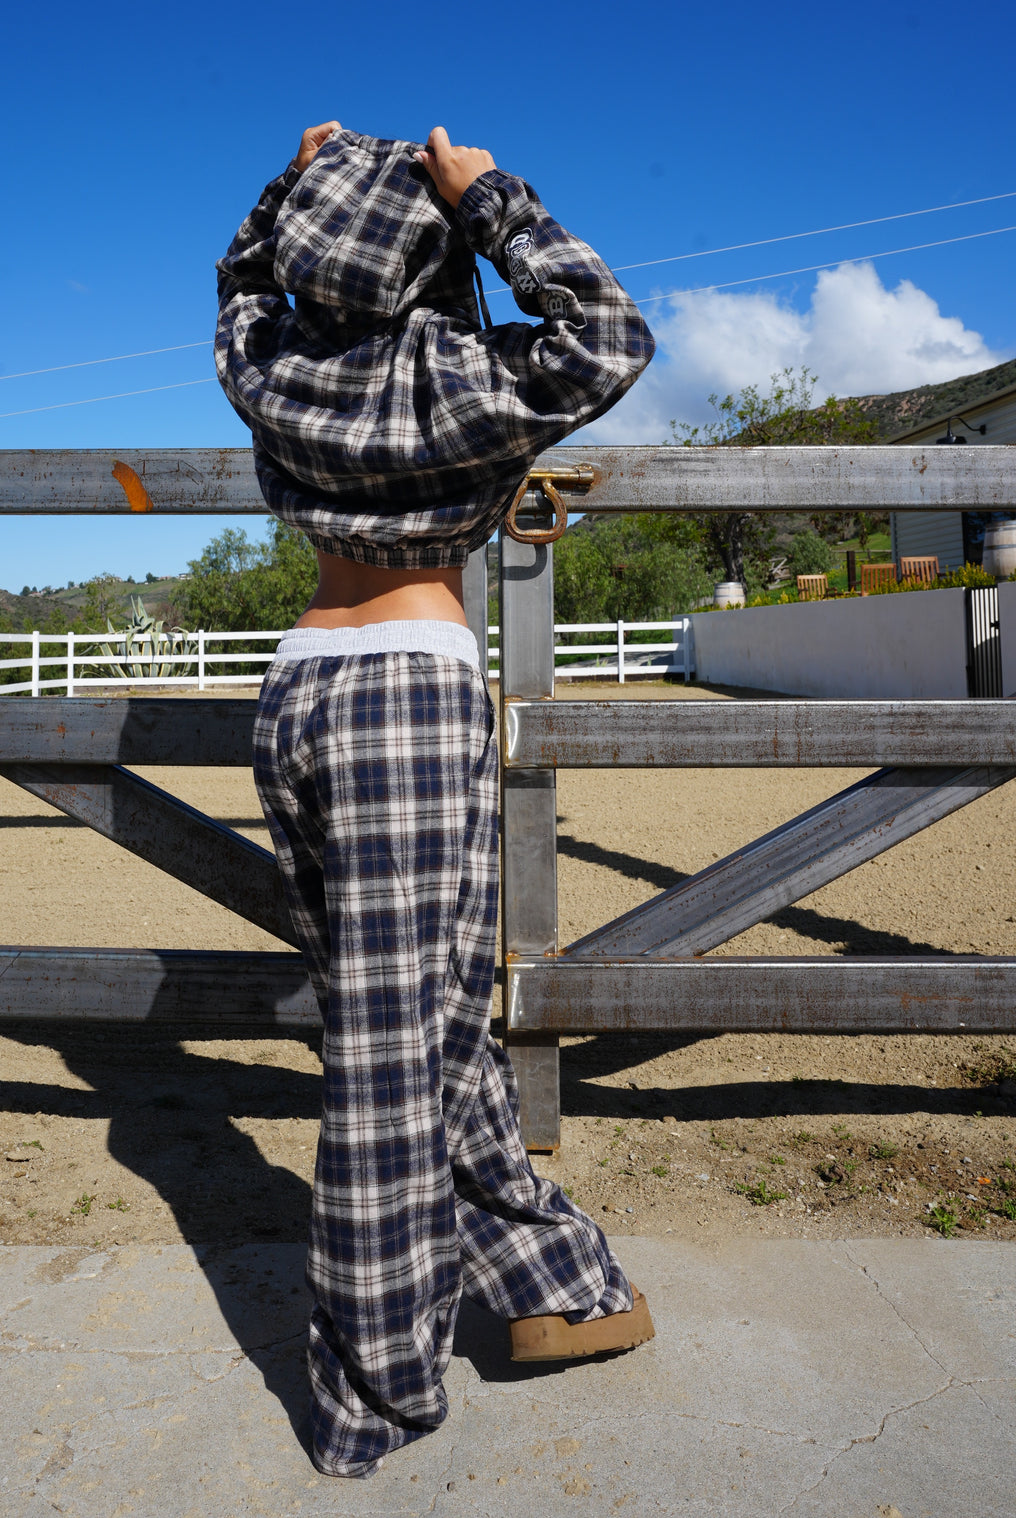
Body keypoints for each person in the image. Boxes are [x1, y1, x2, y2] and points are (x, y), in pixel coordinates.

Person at [215, 120, 656, 1479]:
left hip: (297, 691)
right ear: (439, 255)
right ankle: (374, 1390)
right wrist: (489, 197)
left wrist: (295, 179)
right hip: (409, 694)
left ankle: (547, 1279)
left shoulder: (278, 364)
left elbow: (238, 286)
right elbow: (610, 334)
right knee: (393, 1068)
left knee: (421, 1027)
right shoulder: (463, 374)